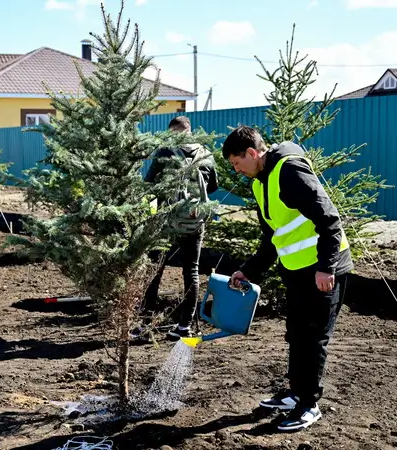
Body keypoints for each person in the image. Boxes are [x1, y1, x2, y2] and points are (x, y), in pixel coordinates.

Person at [221, 125, 353, 432]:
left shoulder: (290, 172)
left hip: (324, 270)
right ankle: (295, 394)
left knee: (314, 338)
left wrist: (326, 267)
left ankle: (309, 405)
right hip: (296, 270)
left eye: (237, 163)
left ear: (252, 153)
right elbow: (273, 239)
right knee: (296, 333)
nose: (237, 170)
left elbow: (330, 219)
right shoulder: (259, 184)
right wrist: (247, 270)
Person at [133, 116, 219, 341]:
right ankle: (184, 327)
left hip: (166, 223)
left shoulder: (165, 152)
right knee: (191, 271)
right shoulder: (205, 154)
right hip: (194, 222)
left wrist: (150, 217)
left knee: (155, 270)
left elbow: (150, 187)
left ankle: (145, 325)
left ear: (172, 131)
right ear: (189, 131)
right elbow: (213, 186)